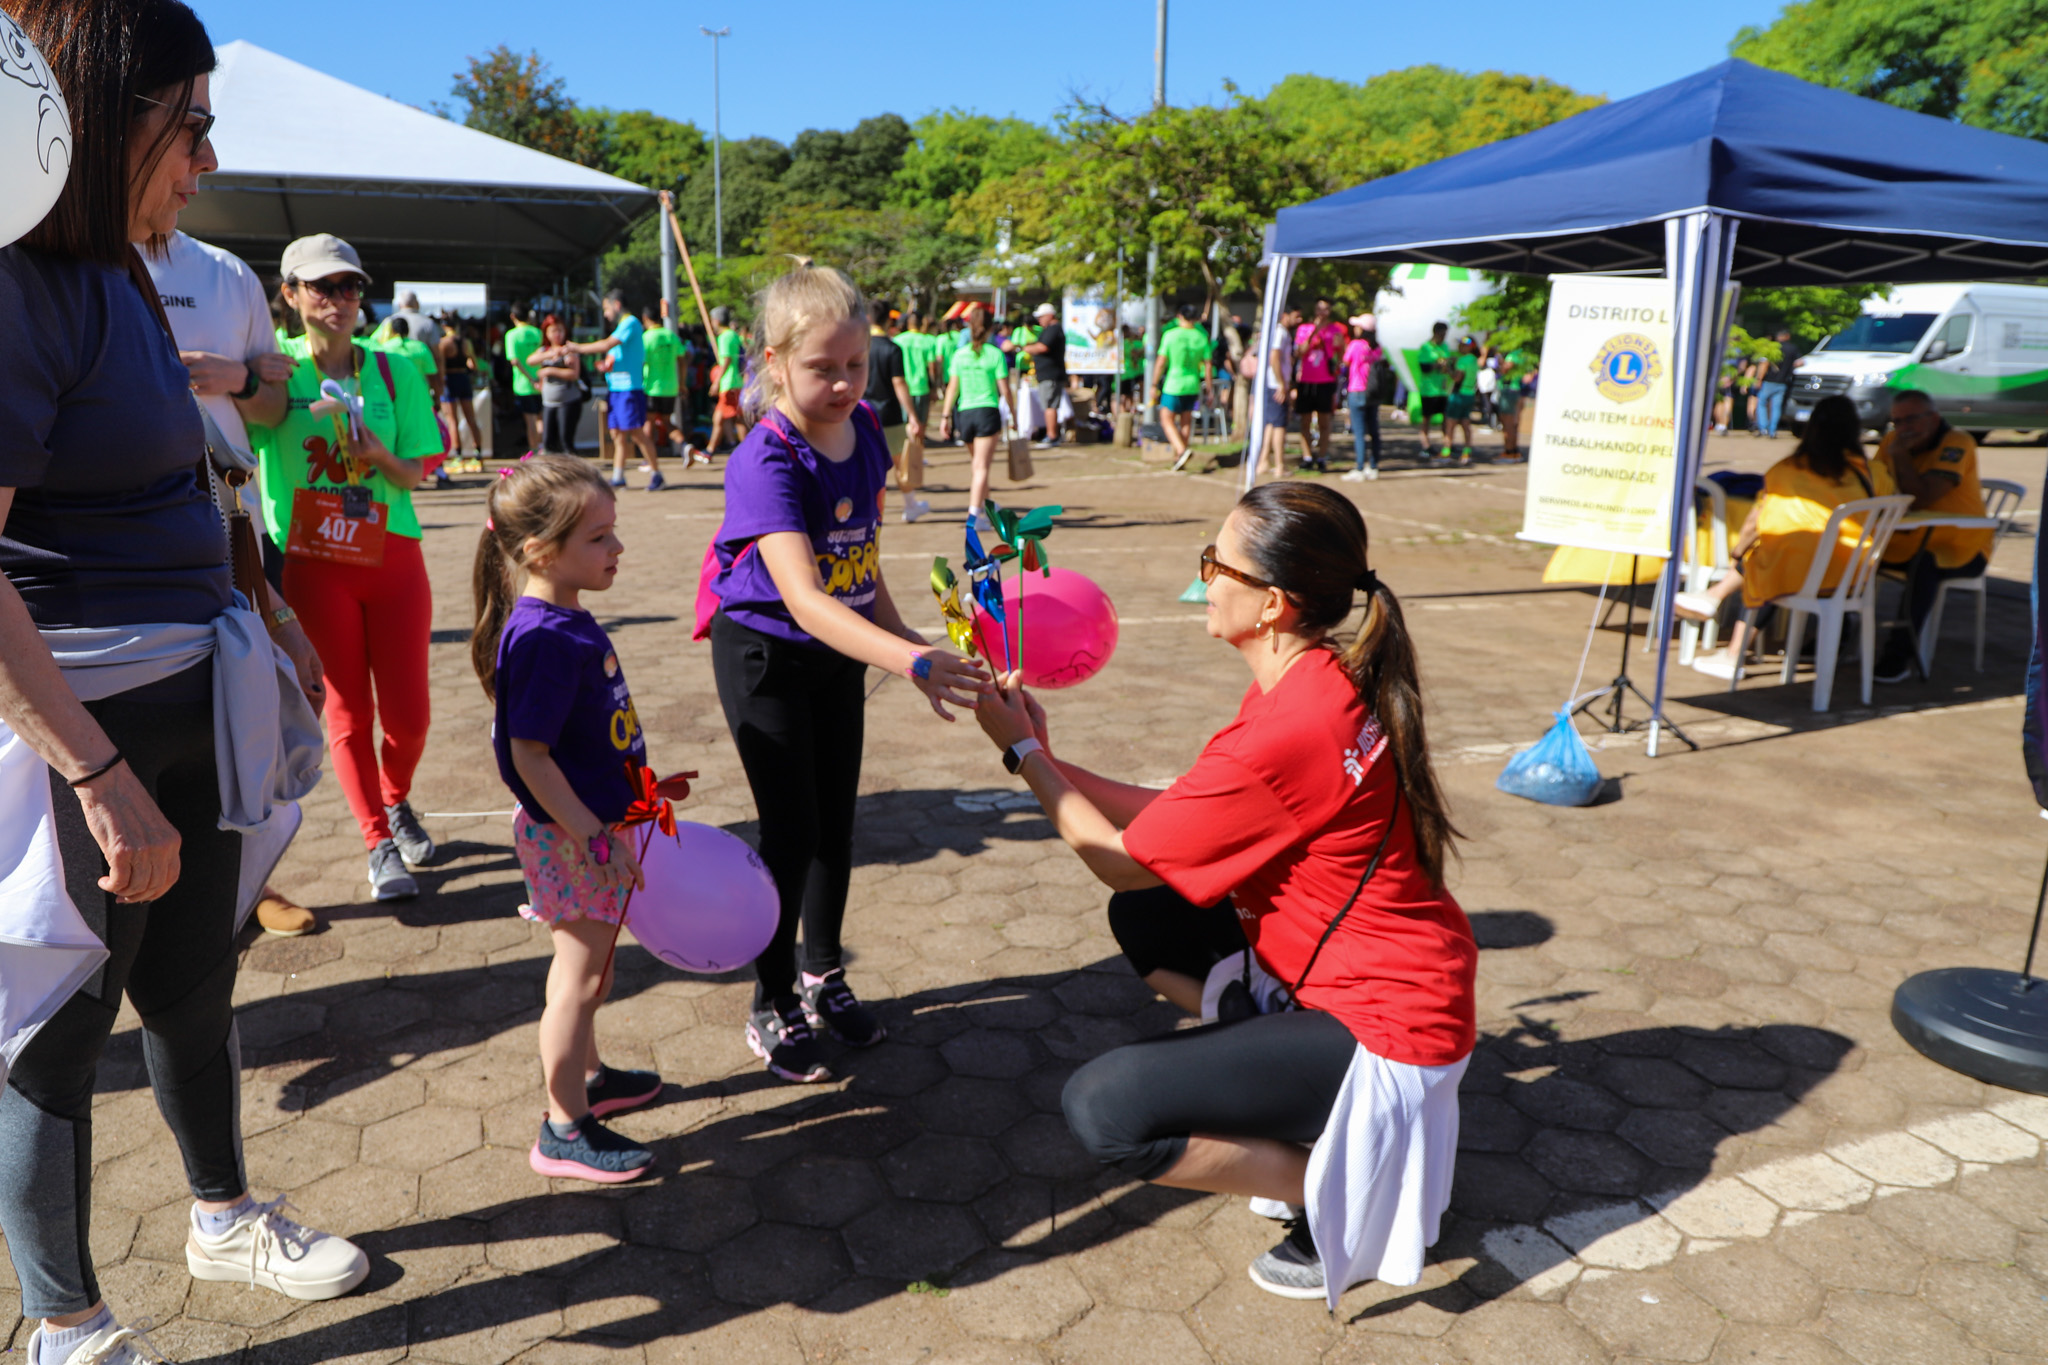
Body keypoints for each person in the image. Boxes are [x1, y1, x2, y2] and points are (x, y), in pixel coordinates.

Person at [0, 8, 369, 1360]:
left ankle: (221, 1215)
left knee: (197, 985)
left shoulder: (126, 270)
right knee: (50, 1032)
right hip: (70, 727)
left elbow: (193, 476)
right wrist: (93, 773)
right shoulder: (13, 283)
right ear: (94, 119)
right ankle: (67, 1324)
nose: (207, 160)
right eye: (189, 123)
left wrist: (268, 614)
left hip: (186, 689)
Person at [973, 481, 1475, 1302]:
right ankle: (1276, 1070)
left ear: (1272, 602)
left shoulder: (1292, 723)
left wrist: (1022, 754)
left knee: (1104, 1110)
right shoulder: (1314, 677)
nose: (1204, 577)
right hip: (1389, 974)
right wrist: (1045, 752)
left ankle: (1329, 1187)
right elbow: (1172, 824)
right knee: (1149, 917)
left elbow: (1117, 855)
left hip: (1390, 1023)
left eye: (1215, 562)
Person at [708, 262, 987, 1082]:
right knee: (789, 834)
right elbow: (801, 598)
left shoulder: (864, 427)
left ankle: (822, 975)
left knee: (836, 825)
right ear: (773, 361)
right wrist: (909, 658)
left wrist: (907, 635)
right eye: (821, 367)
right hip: (767, 653)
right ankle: (770, 998)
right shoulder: (766, 459)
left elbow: (858, 561)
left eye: (855, 365)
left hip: (842, 647)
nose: (841, 383)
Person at [472, 456, 666, 1182]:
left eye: (613, 533)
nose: (616, 550)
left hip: (593, 829)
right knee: (577, 981)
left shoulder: (566, 617)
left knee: (597, 970)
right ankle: (562, 1126)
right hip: (570, 836)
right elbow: (530, 755)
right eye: (599, 537)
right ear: (539, 552)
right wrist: (589, 832)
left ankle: (590, 1081)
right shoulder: (545, 636)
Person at [244, 233, 443, 900]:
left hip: (393, 554)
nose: (339, 299)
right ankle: (376, 840)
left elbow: (417, 473)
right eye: (322, 286)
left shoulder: (394, 370)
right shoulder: (272, 370)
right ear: (291, 294)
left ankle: (396, 798)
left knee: (410, 714)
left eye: (350, 286)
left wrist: (376, 453)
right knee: (348, 711)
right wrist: (245, 381)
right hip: (314, 562)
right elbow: (233, 442)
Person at [145, 228, 323, 938]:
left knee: (242, 706)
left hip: (225, 530)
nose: (204, 161)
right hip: (108, 544)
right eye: (190, 134)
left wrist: (240, 379)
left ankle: (249, 876)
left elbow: (274, 413)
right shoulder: (66, 259)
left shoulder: (226, 274)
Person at [1676, 395, 1899, 679]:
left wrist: (1737, 554)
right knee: (1774, 560)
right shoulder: (1874, 472)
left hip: (1793, 571)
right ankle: (1714, 600)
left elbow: (1755, 521)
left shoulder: (1787, 469)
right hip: (1851, 574)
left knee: (1764, 561)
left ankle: (1731, 644)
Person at [1872, 389, 1994, 682]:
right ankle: (1839, 636)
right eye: (1897, 422)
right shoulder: (1892, 441)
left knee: (1923, 565)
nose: (1903, 429)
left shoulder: (1957, 443)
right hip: (1909, 535)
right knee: (1851, 553)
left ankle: (1898, 655)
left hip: (1962, 545)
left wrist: (1900, 457)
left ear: (1933, 418)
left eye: (1911, 419)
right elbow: (1873, 483)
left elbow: (1923, 497)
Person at [937, 302, 1016, 528]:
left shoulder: (960, 355)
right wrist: (1013, 415)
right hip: (986, 412)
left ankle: (987, 506)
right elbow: (1005, 389)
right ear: (991, 328)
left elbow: (952, 388)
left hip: (965, 414)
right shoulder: (995, 354)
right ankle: (974, 516)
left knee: (978, 465)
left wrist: (945, 417)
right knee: (981, 467)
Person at [573, 290, 661, 491]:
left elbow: (606, 345)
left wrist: (576, 348)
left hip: (629, 389)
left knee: (636, 433)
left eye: (606, 308)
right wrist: (606, 366)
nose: (605, 313)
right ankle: (618, 476)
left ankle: (657, 474)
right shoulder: (622, 327)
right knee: (617, 435)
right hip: (616, 389)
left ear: (617, 305)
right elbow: (614, 355)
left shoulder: (630, 323)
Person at [865, 300, 930, 523]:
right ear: (888, 320)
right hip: (889, 413)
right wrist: (912, 414)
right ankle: (910, 504)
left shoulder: (860, 346)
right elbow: (899, 383)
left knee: (870, 464)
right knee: (899, 463)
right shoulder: (892, 348)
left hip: (863, 413)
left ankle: (871, 510)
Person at [1150, 302, 1213, 473]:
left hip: (1174, 383)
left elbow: (1161, 361)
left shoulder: (1170, 335)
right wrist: (1209, 388)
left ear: (1180, 316)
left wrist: (1154, 384)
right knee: (1186, 421)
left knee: (1166, 418)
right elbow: (1207, 365)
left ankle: (1180, 450)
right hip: (1193, 384)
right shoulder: (1201, 336)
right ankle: (1180, 459)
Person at [1293, 298, 1346, 471]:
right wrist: (1315, 331)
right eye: (1319, 309)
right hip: (1306, 381)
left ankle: (1322, 456)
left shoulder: (1335, 330)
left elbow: (1342, 357)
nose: (1322, 313)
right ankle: (1307, 456)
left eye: (1325, 309)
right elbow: (1300, 351)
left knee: (1325, 421)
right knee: (1305, 421)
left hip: (1326, 381)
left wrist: (1341, 347)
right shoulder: (1304, 329)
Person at [1256, 305, 1302, 482]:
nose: (1298, 321)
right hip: (1276, 384)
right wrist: (1282, 384)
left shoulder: (1279, 332)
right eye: (1296, 316)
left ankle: (1264, 461)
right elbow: (1274, 357)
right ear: (1285, 315)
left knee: (1271, 423)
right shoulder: (1280, 332)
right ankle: (1279, 465)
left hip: (1273, 383)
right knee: (1280, 425)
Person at [893, 308, 938, 483]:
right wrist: (935, 387)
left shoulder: (897, 340)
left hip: (902, 388)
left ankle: (907, 455)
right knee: (920, 423)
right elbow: (932, 367)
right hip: (921, 387)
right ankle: (917, 455)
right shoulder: (928, 341)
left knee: (906, 423)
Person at [1340, 315, 1383, 482]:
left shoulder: (1356, 345)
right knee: (1373, 430)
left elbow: (1346, 361)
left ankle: (1359, 467)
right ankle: (1373, 466)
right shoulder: (1377, 348)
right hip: (1373, 392)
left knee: (1359, 432)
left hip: (1357, 390)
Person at [536, 315, 586, 455]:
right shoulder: (544, 351)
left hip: (568, 400)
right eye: (553, 331)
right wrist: (550, 354)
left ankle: (573, 473)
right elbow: (531, 360)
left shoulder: (569, 350)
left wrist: (550, 370)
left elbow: (574, 374)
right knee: (548, 443)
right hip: (548, 402)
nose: (557, 334)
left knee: (565, 441)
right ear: (546, 333)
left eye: (560, 330)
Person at [1023, 301, 1069, 447]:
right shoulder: (1051, 329)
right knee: (1048, 405)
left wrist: (1027, 348)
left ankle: (1052, 436)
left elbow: (1043, 347)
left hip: (1051, 374)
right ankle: (1051, 435)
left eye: (1041, 317)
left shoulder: (1053, 329)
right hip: (1047, 374)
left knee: (1050, 405)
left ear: (1049, 315)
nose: (1039, 320)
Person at [505, 301, 545, 457]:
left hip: (523, 385)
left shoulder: (511, 335)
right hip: (541, 382)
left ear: (513, 316)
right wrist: (538, 378)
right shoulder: (538, 332)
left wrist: (530, 379)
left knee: (531, 421)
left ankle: (534, 452)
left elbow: (514, 360)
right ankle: (541, 448)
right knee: (540, 418)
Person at [709, 303, 749, 453]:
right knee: (731, 418)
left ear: (716, 321)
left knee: (726, 418)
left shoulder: (725, 337)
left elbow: (726, 360)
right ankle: (714, 448)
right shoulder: (733, 335)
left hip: (729, 382)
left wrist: (717, 382)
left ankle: (711, 450)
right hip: (735, 381)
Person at [1413, 322, 1453, 461]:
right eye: (1442, 334)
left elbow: (1447, 365)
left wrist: (1448, 365)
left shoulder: (1445, 347)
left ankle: (1447, 445)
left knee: (1446, 418)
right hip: (1428, 390)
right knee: (1426, 419)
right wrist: (1438, 364)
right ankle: (1426, 446)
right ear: (1436, 333)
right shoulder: (1426, 347)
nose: (1443, 337)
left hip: (1442, 390)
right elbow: (1424, 368)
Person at [1755, 327, 1801, 439]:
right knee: (1776, 407)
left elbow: (1764, 364)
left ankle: (1763, 428)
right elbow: (1800, 362)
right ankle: (1773, 430)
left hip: (1769, 381)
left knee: (1761, 403)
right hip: (1783, 382)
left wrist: (1759, 379)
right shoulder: (1793, 348)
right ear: (1787, 336)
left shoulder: (1772, 348)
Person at [1445, 335, 1480, 465]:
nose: (1459, 347)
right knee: (1466, 424)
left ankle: (1446, 451)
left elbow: (1457, 378)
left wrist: (1448, 369)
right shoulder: (1474, 360)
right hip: (1470, 395)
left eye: (1461, 345)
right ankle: (1466, 452)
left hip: (1458, 395)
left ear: (1468, 347)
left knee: (1450, 424)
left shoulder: (1463, 360)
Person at [1495, 340, 1532, 462]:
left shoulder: (1513, 356)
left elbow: (1504, 369)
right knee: (1514, 423)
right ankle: (1513, 450)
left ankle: (1509, 451)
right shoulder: (1523, 355)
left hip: (1509, 391)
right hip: (1516, 392)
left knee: (1508, 423)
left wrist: (1500, 362)